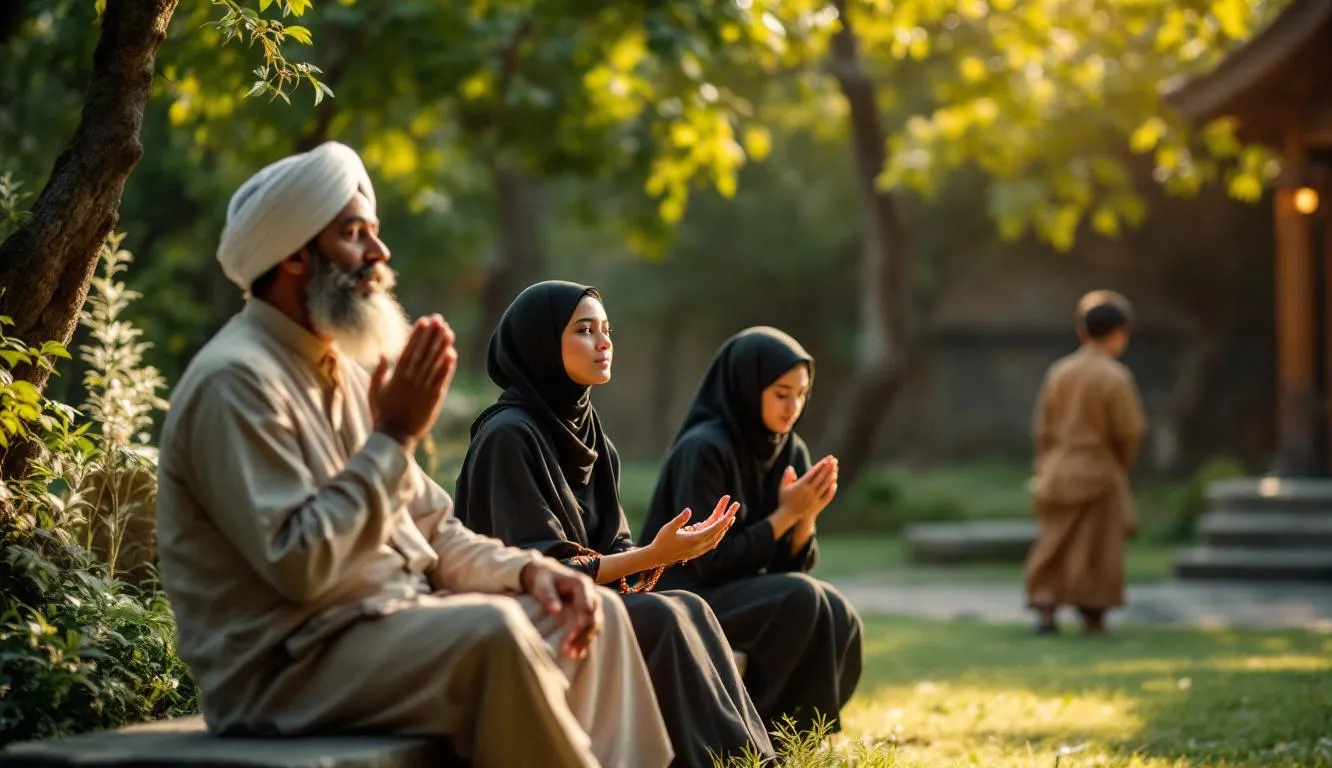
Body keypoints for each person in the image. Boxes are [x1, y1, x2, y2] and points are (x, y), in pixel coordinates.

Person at [155, 142, 674, 768]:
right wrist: (394, 437)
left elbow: (435, 529)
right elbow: (300, 564)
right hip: (287, 667)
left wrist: (533, 574)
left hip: (389, 627)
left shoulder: (342, 371)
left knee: (596, 618)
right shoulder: (236, 382)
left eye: (374, 234)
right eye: (354, 235)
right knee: (494, 634)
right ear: (294, 254)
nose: (379, 255)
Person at [453, 281, 776, 768]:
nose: (604, 343)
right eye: (585, 331)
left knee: (688, 605)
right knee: (663, 617)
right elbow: (538, 568)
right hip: (522, 618)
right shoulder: (508, 436)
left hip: (588, 605)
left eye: (606, 330)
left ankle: (754, 761)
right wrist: (653, 555)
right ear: (542, 342)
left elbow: (615, 549)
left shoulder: (590, 435)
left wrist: (666, 554)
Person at [638, 327, 864, 737]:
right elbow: (707, 560)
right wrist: (785, 515)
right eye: (781, 393)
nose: (793, 406)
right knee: (802, 598)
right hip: (686, 595)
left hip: (745, 593)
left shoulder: (790, 449)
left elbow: (789, 566)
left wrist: (806, 517)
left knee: (838, 611)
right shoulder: (704, 448)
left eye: (802, 394)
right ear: (747, 386)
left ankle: (801, 738)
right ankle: (755, 736)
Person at [1024, 290, 1147, 635]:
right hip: (1097, 470)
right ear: (1120, 333)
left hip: (1057, 468)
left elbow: (1042, 428)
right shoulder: (1115, 377)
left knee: (1054, 544)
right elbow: (1129, 431)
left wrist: (1045, 465)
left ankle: (1046, 610)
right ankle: (1094, 614)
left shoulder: (1059, 372)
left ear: (1082, 330)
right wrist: (1119, 465)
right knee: (1096, 549)